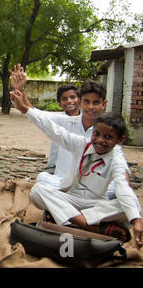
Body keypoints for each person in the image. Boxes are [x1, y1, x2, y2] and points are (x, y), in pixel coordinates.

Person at [10, 89, 142, 249]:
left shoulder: (117, 159)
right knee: (38, 190)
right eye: (97, 134)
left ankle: (67, 221)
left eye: (108, 137)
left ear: (119, 140)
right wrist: (24, 109)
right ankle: (88, 226)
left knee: (130, 206)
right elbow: (54, 130)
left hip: (96, 204)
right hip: (71, 198)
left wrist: (136, 222)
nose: (100, 140)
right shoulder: (82, 144)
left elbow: (122, 187)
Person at [10, 65, 126, 199]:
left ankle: (67, 204)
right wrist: (19, 90)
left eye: (96, 103)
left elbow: (119, 164)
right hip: (63, 181)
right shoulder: (65, 121)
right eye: (86, 102)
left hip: (94, 186)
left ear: (103, 104)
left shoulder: (108, 130)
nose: (90, 107)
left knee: (115, 190)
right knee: (42, 180)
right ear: (80, 102)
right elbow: (37, 115)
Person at [44, 84, 81, 174]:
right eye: (64, 99)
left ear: (79, 100)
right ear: (59, 104)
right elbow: (34, 113)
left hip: (81, 168)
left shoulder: (87, 120)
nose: (69, 101)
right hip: (56, 166)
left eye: (73, 97)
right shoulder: (56, 120)